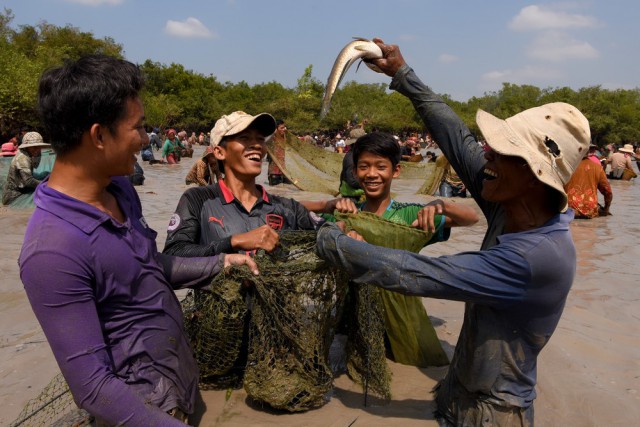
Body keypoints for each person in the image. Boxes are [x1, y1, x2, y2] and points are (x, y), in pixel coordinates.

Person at [316, 38, 591, 426]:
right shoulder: (510, 203)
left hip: (493, 413)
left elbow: (418, 274)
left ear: (534, 175)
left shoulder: (536, 256)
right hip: (455, 394)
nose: (487, 155)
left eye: (502, 152)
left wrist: (332, 241)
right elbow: (457, 140)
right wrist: (402, 74)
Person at [19, 54, 259, 426]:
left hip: (179, 386)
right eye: (139, 127)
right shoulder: (51, 251)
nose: (146, 139)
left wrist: (222, 262)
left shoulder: (120, 189)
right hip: (147, 412)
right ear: (99, 135)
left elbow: (147, 267)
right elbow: (95, 388)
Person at [331, 132, 479, 367]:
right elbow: (306, 219)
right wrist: (335, 215)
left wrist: (440, 204)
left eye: (380, 167)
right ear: (355, 172)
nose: (371, 174)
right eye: (364, 167)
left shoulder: (411, 215)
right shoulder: (347, 213)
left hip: (400, 322)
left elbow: (471, 219)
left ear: (396, 171)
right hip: (352, 319)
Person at [2, 131, 50, 205]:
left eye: (39, 147)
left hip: (22, 191)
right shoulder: (22, 159)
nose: (37, 150)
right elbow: (29, 181)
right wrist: (47, 184)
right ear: (27, 147)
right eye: (34, 147)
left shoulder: (28, 155)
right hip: (14, 197)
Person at [565, 147, 613, 218]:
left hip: (569, 208)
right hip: (589, 209)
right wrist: (606, 209)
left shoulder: (566, 166)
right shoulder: (598, 167)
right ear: (588, 152)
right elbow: (608, 191)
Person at [266, 119, 287, 185]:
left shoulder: (284, 137)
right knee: (275, 191)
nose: (284, 129)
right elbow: (265, 141)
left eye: (285, 127)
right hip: (274, 172)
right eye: (282, 128)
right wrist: (273, 132)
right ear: (276, 129)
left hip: (284, 171)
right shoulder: (272, 138)